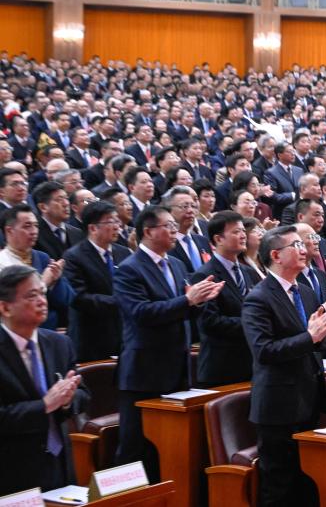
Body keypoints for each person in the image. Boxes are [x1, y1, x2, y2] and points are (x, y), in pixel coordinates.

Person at [114, 204, 224, 479]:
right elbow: (141, 313)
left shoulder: (175, 263)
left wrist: (200, 301)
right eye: (169, 227)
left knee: (169, 442)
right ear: (149, 231)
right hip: (144, 371)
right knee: (136, 446)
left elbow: (181, 309)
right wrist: (188, 299)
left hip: (177, 366)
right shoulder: (129, 269)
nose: (176, 232)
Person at [242, 225, 326, 507]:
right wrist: (311, 336)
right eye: (295, 245)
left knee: (306, 480)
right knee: (279, 484)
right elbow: (264, 351)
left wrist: (323, 334)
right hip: (278, 404)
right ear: (275, 255)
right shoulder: (258, 298)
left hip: (307, 397)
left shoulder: (306, 291)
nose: (304, 250)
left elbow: (319, 342)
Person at [0, 265, 89, 494]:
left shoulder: (59, 343)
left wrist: (68, 400)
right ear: (5, 307)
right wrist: (45, 405)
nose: (42, 300)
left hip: (60, 464)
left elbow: (84, 394)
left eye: (42, 292)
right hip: (12, 470)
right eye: (32, 295)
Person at [192, 211, 262, 387]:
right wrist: (251, 323)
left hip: (251, 363)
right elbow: (210, 322)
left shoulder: (249, 273)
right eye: (236, 232)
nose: (242, 235)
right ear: (218, 239)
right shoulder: (204, 275)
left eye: (243, 231)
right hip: (221, 367)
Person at [63, 200, 132, 362]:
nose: (117, 226)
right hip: (91, 337)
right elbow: (78, 297)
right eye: (110, 221)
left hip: (123, 334)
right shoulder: (74, 257)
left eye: (117, 221)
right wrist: (120, 302)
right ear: (93, 228)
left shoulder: (124, 253)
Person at [0, 204, 74, 331]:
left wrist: (56, 281)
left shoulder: (43, 257)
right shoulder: (2, 261)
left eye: (36, 226)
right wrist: (43, 283)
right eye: (27, 226)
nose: (34, 231)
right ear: (9, 230)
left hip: (50, 332)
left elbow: (68, 300)